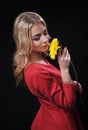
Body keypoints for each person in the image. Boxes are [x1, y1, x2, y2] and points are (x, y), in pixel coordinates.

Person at [12, 11, 84, 130]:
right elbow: (68, 103)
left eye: (45, 33)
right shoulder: (35, 72)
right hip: (60, 123)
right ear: (25, 42)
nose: (46, 39)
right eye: (37, 37)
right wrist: (65, 70)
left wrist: (72, 85)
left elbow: (53, 89)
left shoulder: (39, 60)